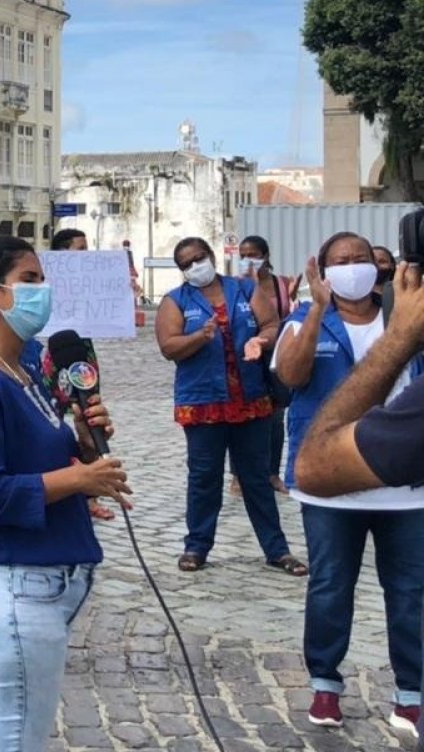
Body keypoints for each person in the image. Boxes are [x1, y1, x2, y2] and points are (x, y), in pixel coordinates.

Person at [0, 235, 130, 750]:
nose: (41, 291)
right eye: (29, 280)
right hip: (18, 590)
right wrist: (79, 481)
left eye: (42, 279)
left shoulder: (23, 370)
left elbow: (42, 456)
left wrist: (87, 444)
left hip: (39, 583)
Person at [272, 232, 424, 732]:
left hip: (404, 487)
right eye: (342, 261)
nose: (353, 267)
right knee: (331, 586)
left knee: (409, 591)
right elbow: (290, 379)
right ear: (323, 269)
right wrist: (314, 311)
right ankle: (324, 686)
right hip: (329, 486)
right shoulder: (303, 321)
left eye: (362, 258)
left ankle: (410, 694)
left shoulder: (405, 318)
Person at [155, 238, 304, 575]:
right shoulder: (175, 301)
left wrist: (260, 340)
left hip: (250, 400)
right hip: (203, 402)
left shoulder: (244, 288)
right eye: (186, 263)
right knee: (204, 478)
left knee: (256, 477)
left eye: (199, 258)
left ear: (211, 256)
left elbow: (271, 324)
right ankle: (196, 546)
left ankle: (276, 549)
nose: (195, 266)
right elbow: (168, 346)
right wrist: (198, 338)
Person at [237, 235, 296, 494]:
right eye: (243, 254)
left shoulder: (281, 283)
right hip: (247, 356)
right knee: (242, 414)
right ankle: (238, 474)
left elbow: (286, 317)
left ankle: (272, 473)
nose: (248, 259)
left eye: (253, 254)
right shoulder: (236, 286)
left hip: (275, 355)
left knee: (276, 417)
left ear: (265, 256)